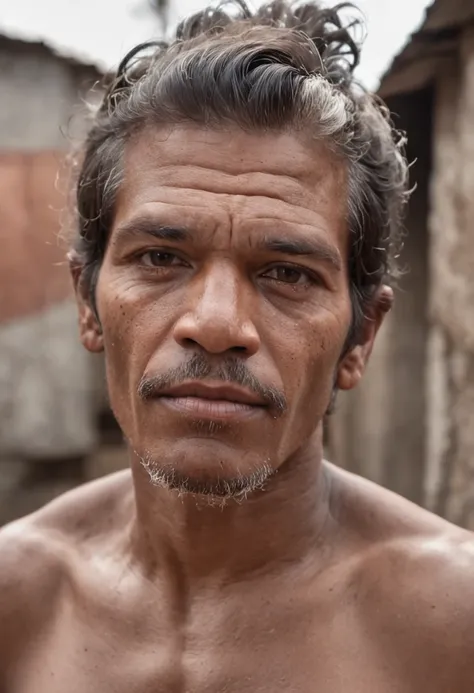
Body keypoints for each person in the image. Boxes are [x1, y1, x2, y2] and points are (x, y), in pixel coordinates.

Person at [1, 1, 473, 690]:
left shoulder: (451, 626)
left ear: (359, 335)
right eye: (162, 258)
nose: (217, 324)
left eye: (287, 273)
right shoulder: (18, 601)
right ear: (88, 301)